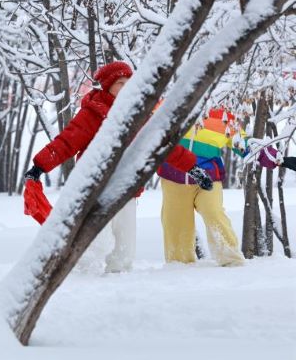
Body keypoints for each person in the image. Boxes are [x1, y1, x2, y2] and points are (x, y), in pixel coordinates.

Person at [22, 61, 207, 272]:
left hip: (127, 188)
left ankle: (117, 285)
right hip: (96, 188)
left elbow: (161, 144)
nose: (125, 87)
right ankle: (79, 276)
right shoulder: (93, 112)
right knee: (98, 243)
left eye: (129, 83)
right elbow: (66, 142)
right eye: (120, 82)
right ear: (108, 85)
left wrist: (192, 168)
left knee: (124, 248)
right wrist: (39, 166)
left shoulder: (139, 114)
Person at [158, 107, 291, 266]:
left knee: (213, 212)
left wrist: (277, 158)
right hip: (174, 176)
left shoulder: (222, 116)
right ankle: (179, 266)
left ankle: (231, 260)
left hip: (208, 179)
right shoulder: (175, 104)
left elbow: (243, 143)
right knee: (176, 224)